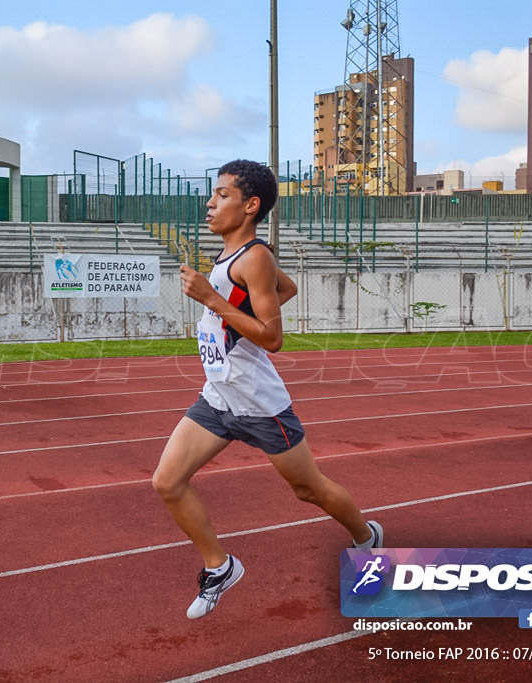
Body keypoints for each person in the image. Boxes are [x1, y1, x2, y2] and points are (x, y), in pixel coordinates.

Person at [152, 159, 383, 620]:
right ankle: (220, 568)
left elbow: (273, 339)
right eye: (213, 194)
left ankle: (366, 538)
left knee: (309, 490)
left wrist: (213, 302)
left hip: (261, 406)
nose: (210, 203)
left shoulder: (253, 256)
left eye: (222, 195)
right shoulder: (235, 257)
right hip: (218, 397)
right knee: (167, 482)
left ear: (250, 205)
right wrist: (231, 314)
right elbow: (288, 288)